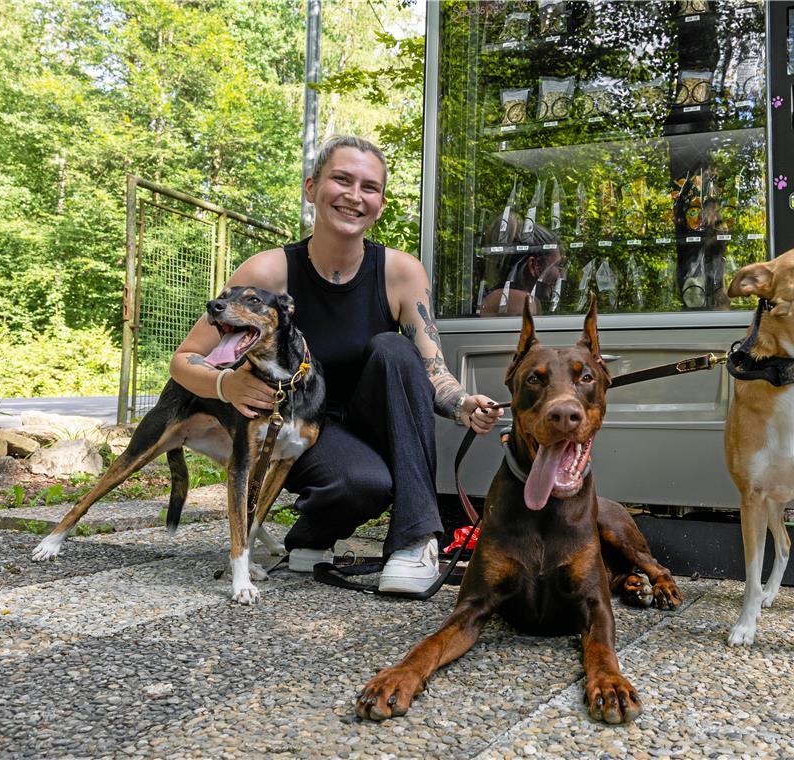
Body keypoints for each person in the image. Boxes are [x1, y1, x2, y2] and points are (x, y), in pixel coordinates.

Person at [169, 135, 502, 593]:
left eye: (369, 187)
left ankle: (416, 539)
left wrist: (463, 403)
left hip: (377, 422)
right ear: (311, 187)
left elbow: (432, 370)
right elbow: (184, 361)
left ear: (381, 204)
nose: (353, 195)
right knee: (361, 484)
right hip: (301, 428)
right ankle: (311, 536)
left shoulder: (401, 272)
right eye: (341, 180)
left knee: (393, 348)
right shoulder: (268, 273)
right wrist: (226, 386)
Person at [478, 223, 563, 317]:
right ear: (535, 265)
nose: (559, 276)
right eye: (556, 266)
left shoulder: (503, 297)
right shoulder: (520, 301)